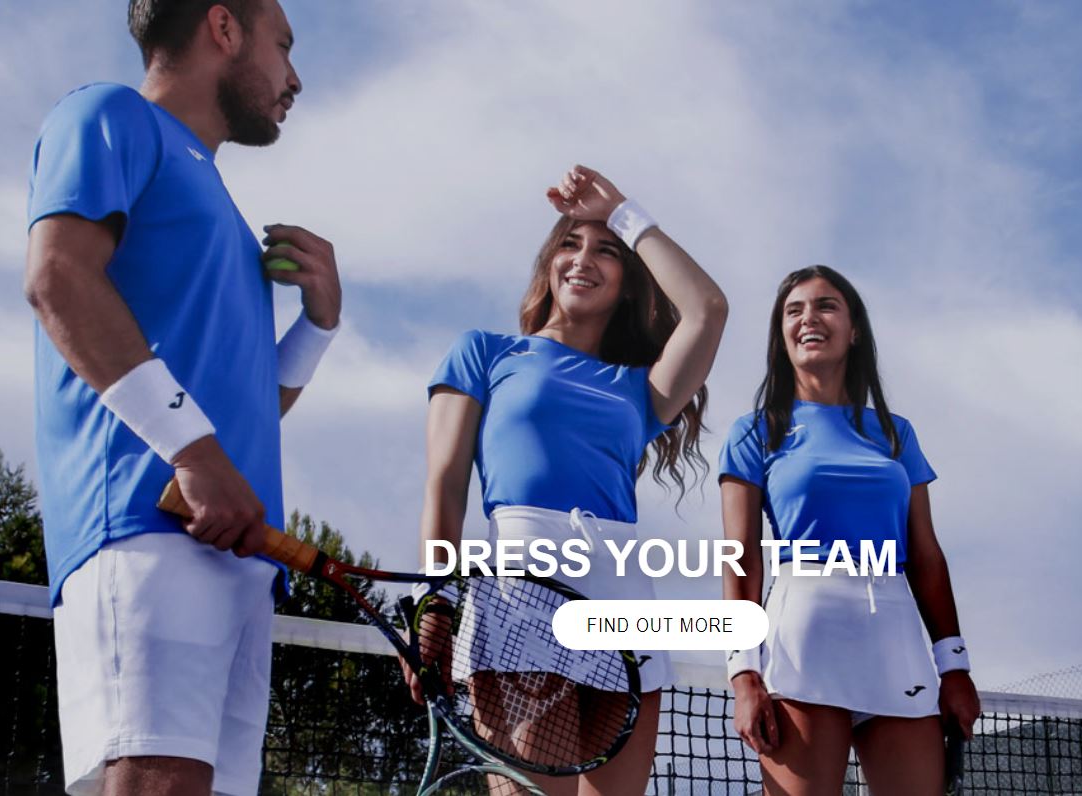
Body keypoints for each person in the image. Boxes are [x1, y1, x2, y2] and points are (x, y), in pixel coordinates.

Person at [22, 1, 341, 793]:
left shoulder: (223, 212)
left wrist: (319, 325)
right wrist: (195, 458)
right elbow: (58, 277)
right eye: (283, 46)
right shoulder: (108, 114)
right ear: (223, 28)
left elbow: (247, 407)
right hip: (146, 526)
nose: (295, 78)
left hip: (235, 551)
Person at [419, 164, 728, 793]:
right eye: (570, 243)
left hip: (625, 595)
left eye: (606, 250)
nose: (584, 258)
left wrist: (623, 213)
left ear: (629, 281)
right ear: (548, 265)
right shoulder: (486, 353)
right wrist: (436, 601)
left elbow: (708, 308)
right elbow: (445, 486)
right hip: (521, 588)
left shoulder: (639, 389)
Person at [718, 266, 980, 795]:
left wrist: (954, 666)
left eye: (826, 306)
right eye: (794, 310)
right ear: (781, 334)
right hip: (804, 635)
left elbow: (926, 555)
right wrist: (743, 672)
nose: (809, 318)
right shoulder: (754, 432)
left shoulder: (895, 432)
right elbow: (741, 556)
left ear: (854, 329)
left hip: (896, 636)